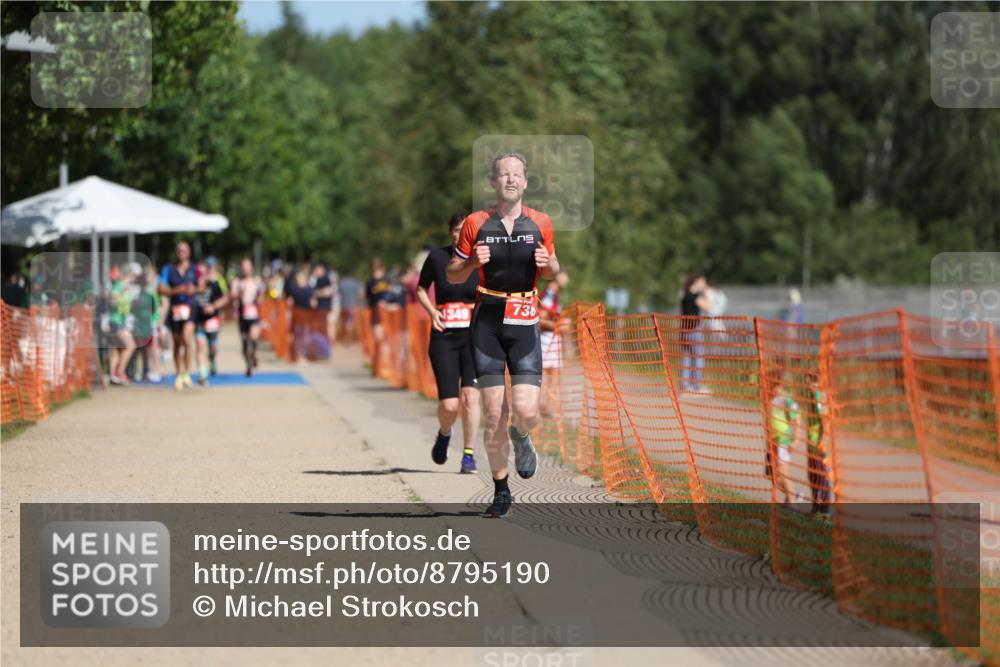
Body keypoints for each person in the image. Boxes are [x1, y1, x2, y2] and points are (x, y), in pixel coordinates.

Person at [447, 152, 559, 518]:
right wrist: (471, 263)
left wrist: (551, 266)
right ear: (493, 182)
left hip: (525, 321)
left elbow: (555, 273)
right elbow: (453, 274)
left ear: (526, 182)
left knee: (525, 411)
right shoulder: (475, 223)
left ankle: (523, 437)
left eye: (516, 174)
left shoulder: (541, 223)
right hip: (489, 322)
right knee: (494, 413)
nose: (510, 179)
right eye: (503, 174)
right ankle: (500, 491)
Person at [417, 211, 481, 474]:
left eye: (466, 229)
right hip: (444, 336)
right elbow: (421, 289)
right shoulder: (437, 258)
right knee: (450, 405)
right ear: (450, 232)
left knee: (470, 399)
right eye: (456, 229)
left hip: (474, 338)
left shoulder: (481, 261)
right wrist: (433, 313)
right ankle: (444, 433)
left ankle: (468, 455)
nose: (460, 234)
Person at [158, 242, 200, 391]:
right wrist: (177, 290)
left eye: (185, 250)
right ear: (176, 253)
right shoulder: (168, 269)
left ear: (189, 252)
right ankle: (178, 374)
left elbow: (202, 286)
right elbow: (161, 288)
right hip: (175, 310)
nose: (182, 253)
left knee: (187, 339)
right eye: (179, 251)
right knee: (177, 344)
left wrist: (193, 289)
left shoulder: (195, 268)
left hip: (190, 308)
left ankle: (187, 373)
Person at [765, 370, 801, 506]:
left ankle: (794, 504)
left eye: (775, 385)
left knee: (782, 471)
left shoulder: (786, 400)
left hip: (783, 440)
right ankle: (793, 495)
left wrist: (796, 440)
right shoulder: (770, 399)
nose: (773, 388)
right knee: (771, 474)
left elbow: (798, 419)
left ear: (779, 385)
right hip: (773, 441)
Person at [539, 269, 569, 418]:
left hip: (551, 338)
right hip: (546, 339)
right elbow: (541, 318)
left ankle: (548, 407)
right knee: (548, 374)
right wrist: (559, 326)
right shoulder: (549, 293)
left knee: (552, 375)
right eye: (565, 275)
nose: (567, 279)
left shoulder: (553, 293)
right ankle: (545, 407)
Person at [194, 257, 229, 384]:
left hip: (213, 319)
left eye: (211, 267)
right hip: (199, 320)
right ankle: (202, 375)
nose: (209, 269)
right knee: (200, 346)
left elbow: (226, 298)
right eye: (207, 267)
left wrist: (213, 306)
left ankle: (212, 360)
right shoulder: (197, 281)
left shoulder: (218, 281)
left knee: (212, 347)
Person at [805, 370, 833, 514]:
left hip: (818, 444)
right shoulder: (812, 395)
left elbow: (826, 419)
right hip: (811, 443)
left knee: (820, 476)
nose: (806, 383)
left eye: (808, 379)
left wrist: (823, 439)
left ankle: (824, 509)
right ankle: (816, 506)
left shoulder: (819, 395)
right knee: (812, 475)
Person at [231, 258, 265, 377]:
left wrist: (259, 299)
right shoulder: (237, 282)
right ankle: (248, 365)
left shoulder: (257, 281)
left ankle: (254, 354)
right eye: (243, 267)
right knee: (245, 344)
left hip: (254, 314)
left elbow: (262, 295)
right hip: (242, 315)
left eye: (248, 267)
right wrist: (239, 293)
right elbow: (233, 297)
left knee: (253, 337)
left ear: (251, 268)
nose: (245, 270)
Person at [680, 272, 710, 393]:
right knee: (697, 357)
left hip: (684, 329)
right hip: (694, 330)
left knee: (687, 357)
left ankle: (685, 385)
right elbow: (708, 306)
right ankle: (696, 385)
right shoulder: (695, 296)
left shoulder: (685, 296)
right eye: (702, 282)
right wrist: (705, 292)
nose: (704, 284)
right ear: (696, 281)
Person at [365, 258, 393, 377]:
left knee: (387, 339)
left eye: (378, 268)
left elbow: (392, 294)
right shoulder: (370, 282)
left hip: (389, 312)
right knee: (378, 339)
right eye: (375, 269)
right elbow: (367, 297)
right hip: (376, 312)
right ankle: (378, 366)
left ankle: (386, 365)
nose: (377, 271)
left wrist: (389, 303)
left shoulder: (387, 280)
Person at [337, 271, 361, 342]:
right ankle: (349, 336)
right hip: (352, 305)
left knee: (344, 321)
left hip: (343, 305)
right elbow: (359, 294)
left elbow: (338, 294)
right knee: (350, 322)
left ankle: (345, 336)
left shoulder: (341, 283)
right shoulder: (355, 283)